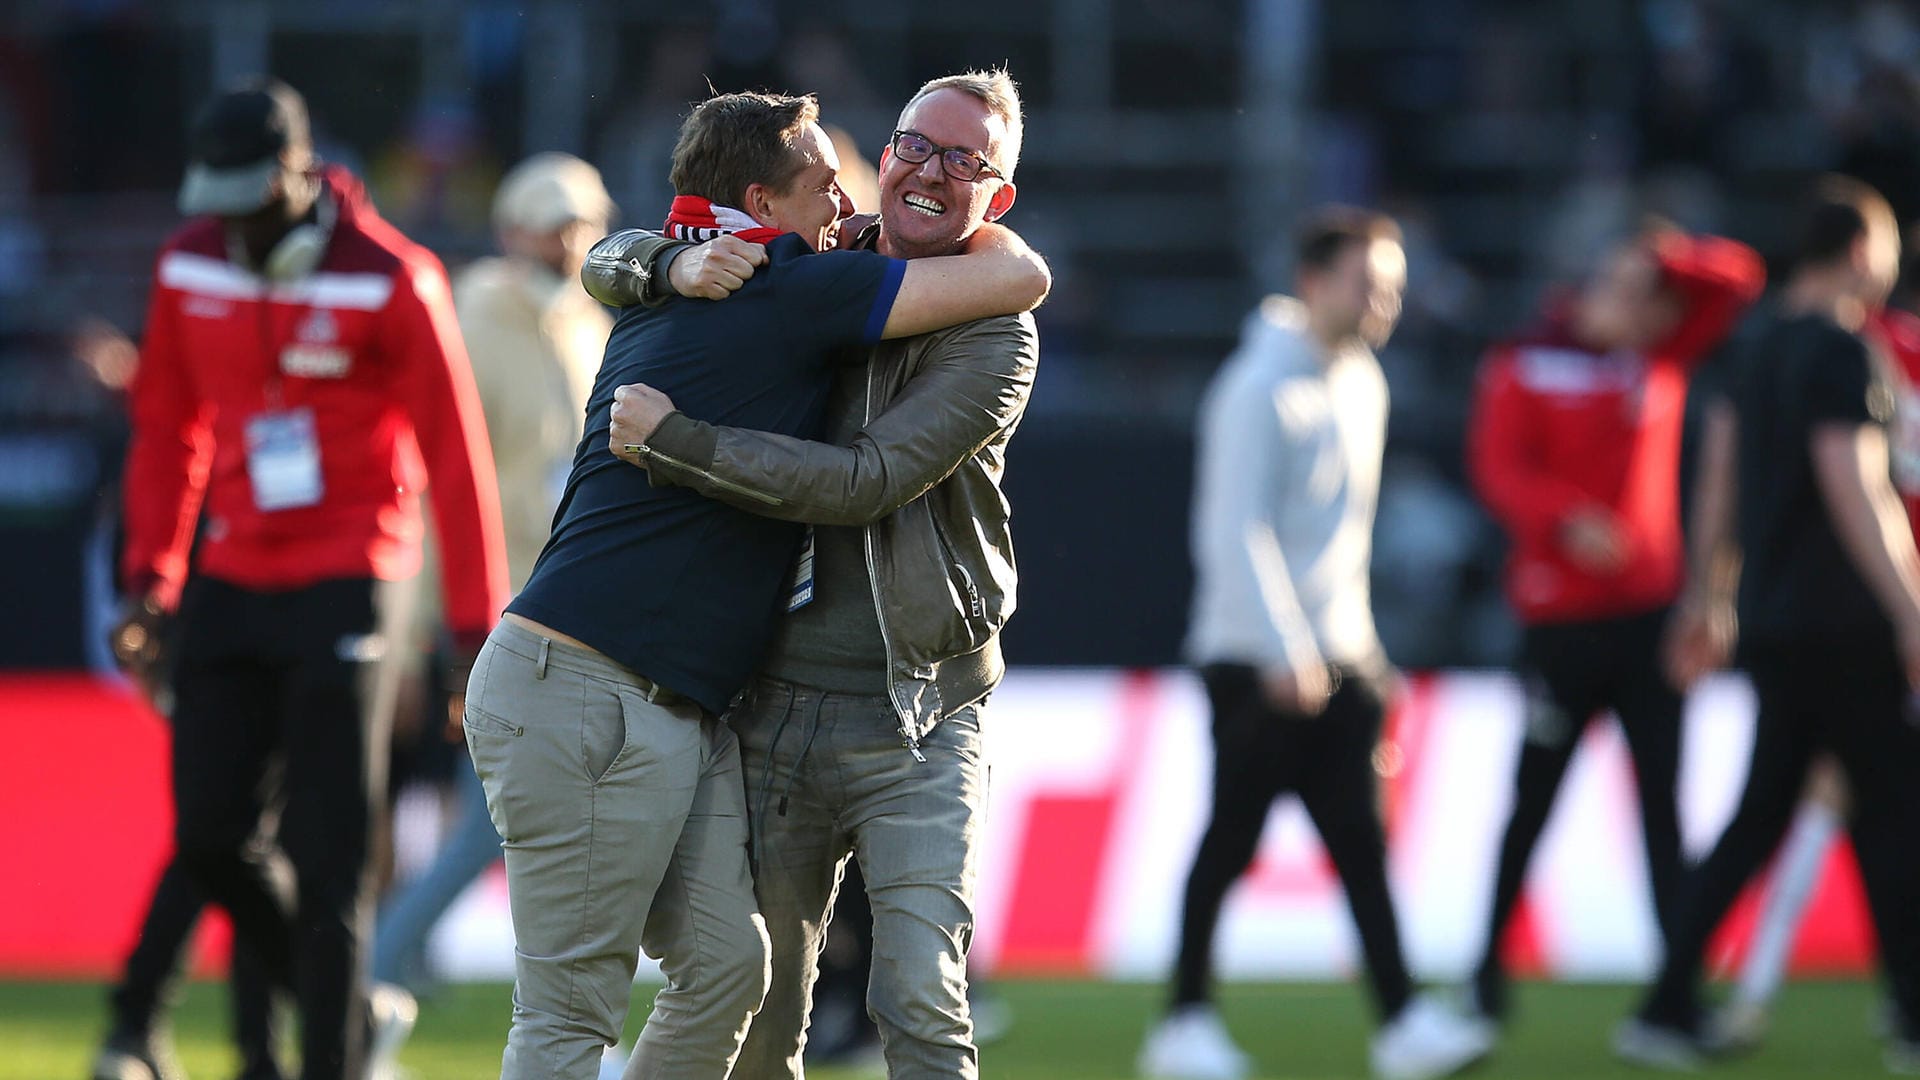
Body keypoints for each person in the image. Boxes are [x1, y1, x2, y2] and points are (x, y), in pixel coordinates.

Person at [465, 88, 1049, 1080]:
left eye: (966, 162)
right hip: (659, 692)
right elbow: (1022, 277)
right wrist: (659, 260)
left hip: (860, 705)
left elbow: (885, 449)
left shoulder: (785, 280)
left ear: (997, 192)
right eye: (907, 147)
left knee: (779, 977)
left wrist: (662, 284)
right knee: (611, 1008)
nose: (858, 191)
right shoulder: (799, 276)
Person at [109, 76, 511, 1080]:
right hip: (234, 572)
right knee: (209, 834)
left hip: (353, 578)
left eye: (251, 201)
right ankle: (351, 1009)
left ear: (300, 175)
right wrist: (150, 585)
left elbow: (457, 465)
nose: (234, 226)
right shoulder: (186, 264)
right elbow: (168, 432)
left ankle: (328, 1056)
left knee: (332, 862)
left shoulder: (392, 276)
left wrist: (471, 635)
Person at [1134, 207, 1490, 1080]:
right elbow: (1234, 532)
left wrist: (1363, 651)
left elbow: (1342, 542)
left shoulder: (1361, 380)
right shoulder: (1257, 389)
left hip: (1339, 656)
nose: (1386, 304)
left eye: (1395, 288)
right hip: (1256, 659)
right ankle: (1182, 1025)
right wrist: (1286, 648)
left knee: (1360, 848)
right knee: (1232, 843)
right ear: (1316, 279)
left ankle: (1404, 1022)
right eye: (1372, 285)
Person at [1624, 176, 1920, 1072]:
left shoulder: (1748, 349)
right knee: (1896, 812)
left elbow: (1715, 479)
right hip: (1847, 622)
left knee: (1768, 815)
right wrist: (1910, 611)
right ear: (1863, 252)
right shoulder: (1844, 350)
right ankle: (1912, 1012)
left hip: (1777, 622)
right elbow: (1856, 483)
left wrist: (1710, 596)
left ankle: (1669, 1001)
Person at [1462, 222, 1763, 1026]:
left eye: (1652, 296)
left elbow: (1739, 281)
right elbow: (1499, 468)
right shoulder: (1524, 357)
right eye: (1628, 291)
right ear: (1591, 288)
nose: (1645, 308)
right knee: (1533, 803)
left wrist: (1663, 258)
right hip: (1559, 622)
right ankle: (1484, 974)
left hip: (1648, 620)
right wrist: (1566, 522)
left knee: (1663, 811)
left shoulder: (1659, 351)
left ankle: (1675, 992)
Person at [369, 152, 615, 997]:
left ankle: (385, 971)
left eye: (582, 225)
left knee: (510, 817)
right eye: (554, 226)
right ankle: (376, 971)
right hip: (491, 613)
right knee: (496, 818)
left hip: (565, 603)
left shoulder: (588, 321)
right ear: (512, 232)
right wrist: (420, 634)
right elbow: (436, 483)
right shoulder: (473, 320)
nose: (570, 242)